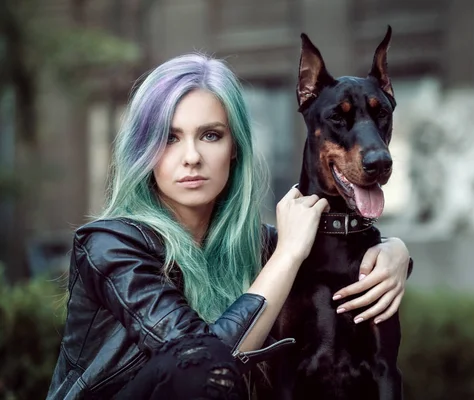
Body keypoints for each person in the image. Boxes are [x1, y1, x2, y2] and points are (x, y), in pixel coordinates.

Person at [47, 52, 412, 400]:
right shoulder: (109, 246)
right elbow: (199, 361)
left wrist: (396, 254)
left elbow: (333, 263)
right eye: (170, 138)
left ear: (234, 146)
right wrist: (287, 254)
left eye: (210, 135)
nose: (192, 158)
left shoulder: (253, 247)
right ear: (144, 149)